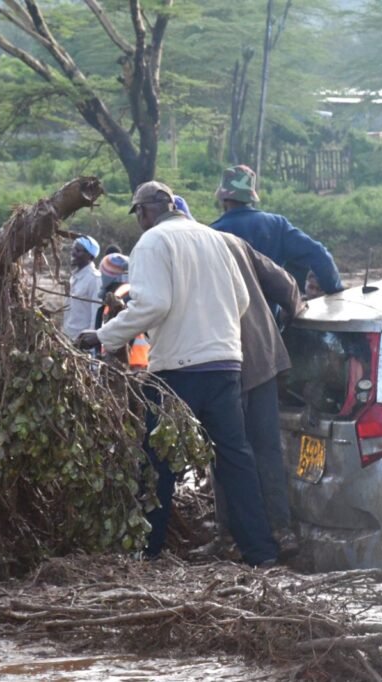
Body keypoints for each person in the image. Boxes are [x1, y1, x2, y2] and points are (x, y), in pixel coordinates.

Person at [76, 181, 278, 567]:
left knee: (157, 463)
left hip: (179, 370)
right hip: (225, 363)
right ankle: (261, 553)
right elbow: (242, 300)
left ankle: (148, 553)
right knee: (235, 459)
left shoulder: (152, 242)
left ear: (146, 211)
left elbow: (153, 304)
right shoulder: (215, 238)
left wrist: (102, 335)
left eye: (137, 214)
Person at [214, 230, 305, 559]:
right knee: (266, 449)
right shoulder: (233, 241)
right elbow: (286, 285)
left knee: (226, 452)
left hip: (222, 362)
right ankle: (282, 532)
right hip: (262, 356)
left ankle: (231, 539)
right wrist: (293, 319)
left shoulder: (181, 248)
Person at [211, 165, 344, 294]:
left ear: (224, 198)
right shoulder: (276, 225)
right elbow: (319, 254)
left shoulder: (213, 233)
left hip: (230, 315)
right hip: (271, 316)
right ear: (250, 197)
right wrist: (334, 291)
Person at [62, 235, 101, 341]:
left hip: (82, 342)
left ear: (91, 257)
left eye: (78, 250)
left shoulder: (94, 279)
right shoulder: (74, 276)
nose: (73, 253)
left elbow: (96, 314)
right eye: (73, 249)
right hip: (67, 337)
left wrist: (91, 342)